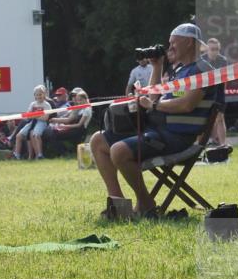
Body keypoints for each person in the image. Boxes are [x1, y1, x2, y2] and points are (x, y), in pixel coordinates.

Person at [90, 23, 224, 219]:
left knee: (119, 151)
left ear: (188, 42)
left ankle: (146, 203)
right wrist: (157, 66)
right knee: (97, 141)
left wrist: (152, 106)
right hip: (158, 131)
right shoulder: (179, 70)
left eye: (173, 43)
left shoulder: (202, 70)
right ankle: (118, 205)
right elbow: (153, 98)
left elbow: (186, 105)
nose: (169, 48)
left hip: (178, 137)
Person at [200, 37, 229, 146]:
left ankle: (223, 145)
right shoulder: (201, 60)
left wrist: (223, 92)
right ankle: (202, 144)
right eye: (212, 49)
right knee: (203, 119)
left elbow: (224, 79)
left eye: (216, 49)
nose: (214, 51)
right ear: (207, 49)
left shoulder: (223, 60)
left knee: (220, 118)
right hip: (204, 92)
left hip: (218, 91)